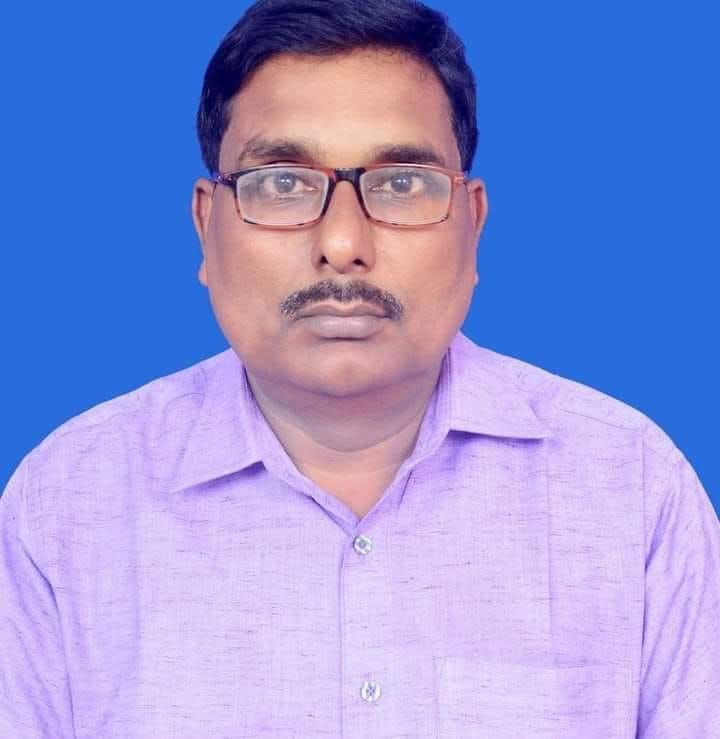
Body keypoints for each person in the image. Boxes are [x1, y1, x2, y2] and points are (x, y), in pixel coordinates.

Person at [1, 0, 718, 735]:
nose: (343, 244)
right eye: (282, 182)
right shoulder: (67, 503)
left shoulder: (629, 487)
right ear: (205, 224)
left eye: (401, 183)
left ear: (473, 224)